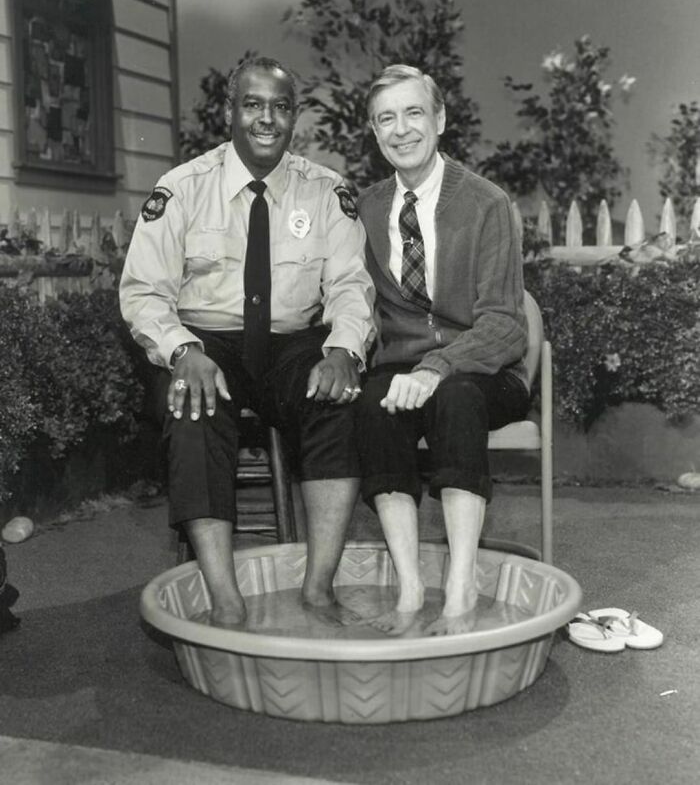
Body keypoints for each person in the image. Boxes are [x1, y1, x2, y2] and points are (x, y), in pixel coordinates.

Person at [120, 57, 375, 627]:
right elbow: (143, 292)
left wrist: (343, 350)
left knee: (337, 400)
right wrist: (183, 351)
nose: (267, 118)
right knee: (194, 405)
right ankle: (225, 598)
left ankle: (318, 588)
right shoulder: (182, 188)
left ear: (294, 117)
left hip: (292, 343)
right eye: (253, 104)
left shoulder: (326, 191)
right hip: (207, 342)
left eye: (280, 107)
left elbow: (350, 285)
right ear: (229, 111)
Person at [355, 65, 530, 636]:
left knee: (454, 399)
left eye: (414, 113)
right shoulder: (366, 209)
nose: (401, 129)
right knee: (374, 405)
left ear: (440, 119)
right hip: (404, 370)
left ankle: (460, 587)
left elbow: (505, 324)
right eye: (386, 118)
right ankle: (409, 589)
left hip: (484, 371)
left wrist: (437, 367)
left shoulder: (486, 203)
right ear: (374, 132)